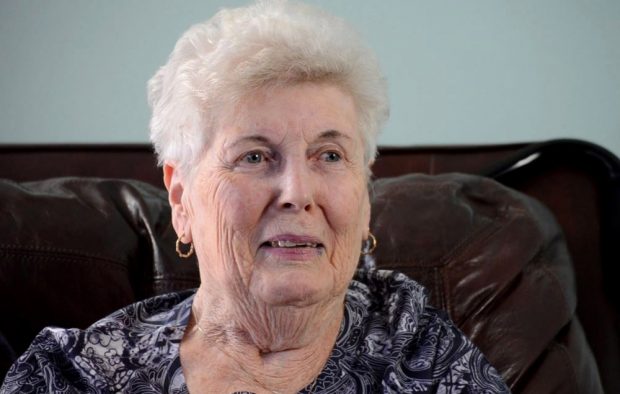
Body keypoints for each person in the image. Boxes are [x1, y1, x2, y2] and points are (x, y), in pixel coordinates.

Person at [1, 1, 509, 393]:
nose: (298, 193)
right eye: (255, 157)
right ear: (181, 198)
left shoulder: (419, 349)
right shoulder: (81, 377)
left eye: (330, 155)